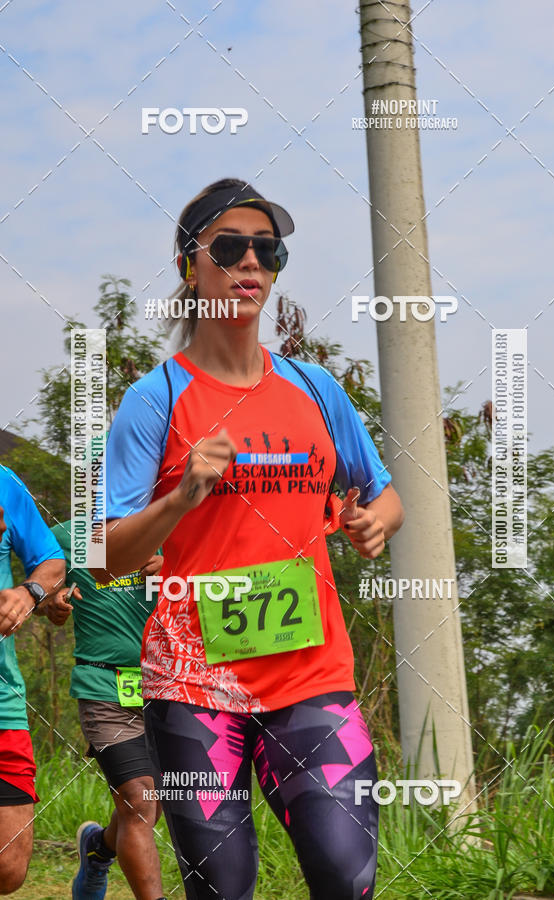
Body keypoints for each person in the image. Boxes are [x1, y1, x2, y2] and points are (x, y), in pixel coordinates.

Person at [95, 178, 405, 900]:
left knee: (346, 874)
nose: (251, 264)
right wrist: (181, 497)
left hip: (311, 676)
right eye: (228, 247)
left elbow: (387, 495)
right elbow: (106, 556)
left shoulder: (317, 389)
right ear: (188, 266)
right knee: (222, 887)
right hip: (194, 686)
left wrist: (374, 523)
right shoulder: (157, 399)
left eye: (267, 250)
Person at [50, 520, 166, 900]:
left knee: (155, 804)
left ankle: (98, 851)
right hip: (103, 685)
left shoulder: (171, 521)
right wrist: (51, 600)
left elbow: (222, 577)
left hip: (170, 684)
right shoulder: (68, 534)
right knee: (138, 799)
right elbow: (38, 589)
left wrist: (178, 570)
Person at [0, 466, 65, 894]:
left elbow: (51, 562)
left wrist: (31, 593)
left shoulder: (4, 481)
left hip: (3, 700)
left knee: (10, 867)